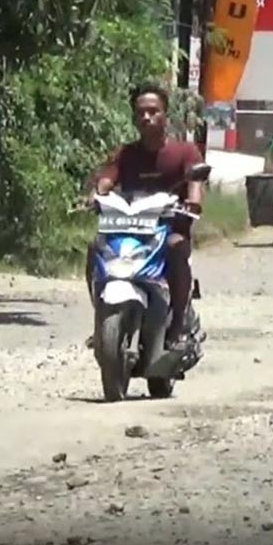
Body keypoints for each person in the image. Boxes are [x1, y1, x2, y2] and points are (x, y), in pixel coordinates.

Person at [87, 83, 205, 350]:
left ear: (166, 115)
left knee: (176, 248)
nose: (146, 117)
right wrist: (97, 193)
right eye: (140, 112)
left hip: (169, 228)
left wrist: (193, 202)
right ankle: (103, 317)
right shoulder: (125, 153)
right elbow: (107, 179)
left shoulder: (185, 151)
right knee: (96, 248)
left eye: (153, 111)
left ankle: (178, 325)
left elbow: (195, 184)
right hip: (130, 229)